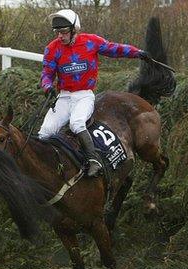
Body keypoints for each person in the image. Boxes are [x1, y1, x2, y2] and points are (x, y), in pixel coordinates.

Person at [38, 9, 150, 177]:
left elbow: (115, 49)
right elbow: (46, 74)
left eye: (63, 32)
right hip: (64, 96)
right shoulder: (52, 49)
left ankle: (94, 160)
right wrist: (47, 87)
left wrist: (138, 53)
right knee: (45, 131)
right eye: (57, 32)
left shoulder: (91, 42)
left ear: (74, 29)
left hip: (83, 95)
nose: (60, 36)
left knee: (77, 123)